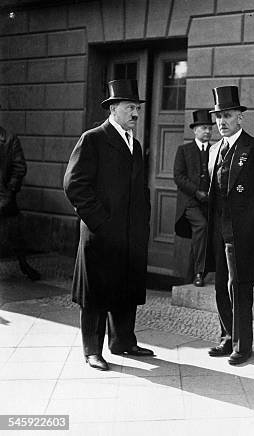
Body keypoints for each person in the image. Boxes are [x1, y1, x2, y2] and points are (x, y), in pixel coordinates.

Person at [64, 79, 154, 371]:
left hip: (130, 235)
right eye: (130, 108)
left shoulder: (134, 144)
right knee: (96, 294)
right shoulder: (93, 139)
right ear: (113, 109)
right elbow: (74, 185)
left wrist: (142, 223)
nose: (135, 113)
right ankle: (92, 350)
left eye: (137, 108)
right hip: (101, 234)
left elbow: (139, 189)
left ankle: (123, 342)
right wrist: (100, 221)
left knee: (126, 288)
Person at [204, 86, 254, 365]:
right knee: (221, 285)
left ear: (240, 118)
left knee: (240, 286)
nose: (222, 122)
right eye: (218, 116)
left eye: (227, 115)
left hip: (244, 230)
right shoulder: (214, 150)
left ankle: (242, 345)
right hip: (218, 229)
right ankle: (226, 338)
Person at [173, 109, 215, 287]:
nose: (207, 131)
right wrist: (196, 192)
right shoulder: (184, 150)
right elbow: (178, 176)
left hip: (210, 202)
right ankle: (199, 273)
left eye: (209, 128)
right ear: (195, 130)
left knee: (209, 233)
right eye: (204, 128)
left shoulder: (215, 150)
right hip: (190, 203)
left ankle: (200, 273)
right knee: (202, 226)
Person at [0, 125, 41, 281]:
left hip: (3, 194)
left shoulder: (9, 139)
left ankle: (24, 264)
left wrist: (10, 191)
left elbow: (19, 167)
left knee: (14, 231)